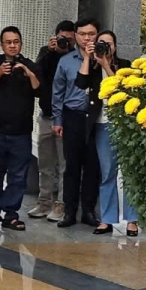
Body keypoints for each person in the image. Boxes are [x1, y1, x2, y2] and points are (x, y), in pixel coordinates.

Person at [0, 26, 41, 231]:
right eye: (8, 42)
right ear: (2, 44)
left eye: (16, 42)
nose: (12, 46)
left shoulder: (29, 66)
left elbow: (39, 90)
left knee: (18, 176)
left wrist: (29, 73)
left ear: (21, 44)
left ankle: (12, 214)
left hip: (21, 133)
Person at [76, 29, 138, 236]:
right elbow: (80, 83)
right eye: (100, 43)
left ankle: (132, 220)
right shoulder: (92, 67)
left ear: (115, 47)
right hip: (102, 125)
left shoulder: (126, 65)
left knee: (129, 173)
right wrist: (88, 57)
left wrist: (106, 65)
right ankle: (107, 219)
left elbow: (121, 91)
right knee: (107, 173)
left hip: (124, 126)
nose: (105, 47)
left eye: (108, 44)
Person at [52, 18, 102, 228]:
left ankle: (88, 211)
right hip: (73, 116)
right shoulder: (66, 61)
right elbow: (58, 92)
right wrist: (57, 120)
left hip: (96, 119)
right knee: (71, 166)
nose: (87, 38)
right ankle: (69, 211)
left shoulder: (103, 57)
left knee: (93, 166)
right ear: (76, 36)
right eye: (83, 34)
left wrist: (97, 58)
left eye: (91, 34)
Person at [29, 20, 75, 221]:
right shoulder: (46, 53)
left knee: (64, 165)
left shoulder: (77, 56)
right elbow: (36, 76)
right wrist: (49, 52)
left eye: (69, 38)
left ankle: (60, 205)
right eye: (61, 38)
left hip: (67, 118)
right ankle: (43, 201)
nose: (65, 42)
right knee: (45, 164)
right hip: (46, 116)